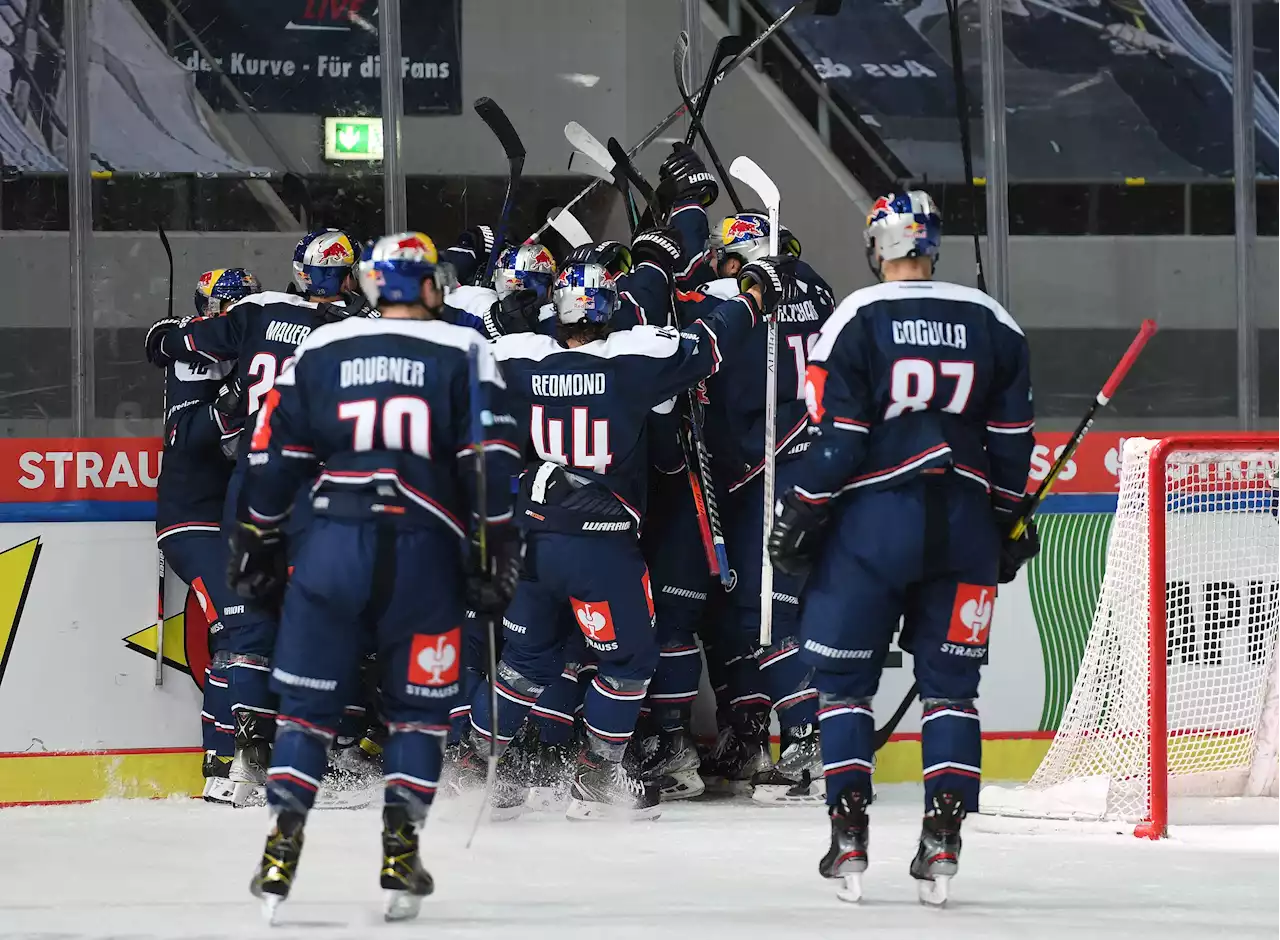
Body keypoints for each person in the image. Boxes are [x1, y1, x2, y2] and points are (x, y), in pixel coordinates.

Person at [227, 232, 524, 922]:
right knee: (418, 714)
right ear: (426, 284)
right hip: (424, 551)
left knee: (306, 712)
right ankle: (399, 851)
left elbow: (272, 458)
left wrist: (259, 539)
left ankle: (281, 848)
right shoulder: (465, 348)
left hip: (332, 544)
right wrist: (497, 552)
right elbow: (493, 464)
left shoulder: (322, 348)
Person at [766, 191, 1039, 904]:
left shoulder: (856, 316)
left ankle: (848, 831)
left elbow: (841, 436)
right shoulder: (994, 320)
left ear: (874, 247)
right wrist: (1009, 520)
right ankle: (943, 836)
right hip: (967, 524)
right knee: (952, 691)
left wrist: (802, 510)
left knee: (845, 687)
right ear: (932, 243)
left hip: (873, 525)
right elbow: (1013, 446)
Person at [461, 241, 792, 821]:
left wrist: (499, 316)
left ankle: (477, 768)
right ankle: (596, 774)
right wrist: (753, 296)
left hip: (532, 536)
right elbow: (706, 344)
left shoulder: (520, 356)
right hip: (601, 540)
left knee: (523, 659)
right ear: (609, 308)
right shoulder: (631, 360)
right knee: (630, 661)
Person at [144, 228, 364, 796]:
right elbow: (184, 435)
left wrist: (171, 340)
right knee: (253, 625)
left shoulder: (262, 319)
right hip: (214, 511)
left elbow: (170, 342)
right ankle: (247, 758)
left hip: (251, 494)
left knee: (281, 626)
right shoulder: (346, 329)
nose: (225, 313)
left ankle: (242, 762)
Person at [661, 143, 838, 804]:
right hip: (808, 466)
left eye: (729, 259)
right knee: (756, 615)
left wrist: (678, 230)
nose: (722, 268)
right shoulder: (816, 286)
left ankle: (805, 739)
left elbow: (694, 334)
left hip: (766, 473)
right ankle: (764, 733)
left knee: (763, 616)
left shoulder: (729, 300)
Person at [154, 267, 260, 805]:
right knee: (242, 636)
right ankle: (225, 767)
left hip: (246, 523)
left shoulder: (264, 350)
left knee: (264, 634)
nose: (236, 316)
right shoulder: (192, 350)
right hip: (193, 520)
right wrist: (238, 393)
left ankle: (256, 757)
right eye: (228, 307)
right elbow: (188, 437)